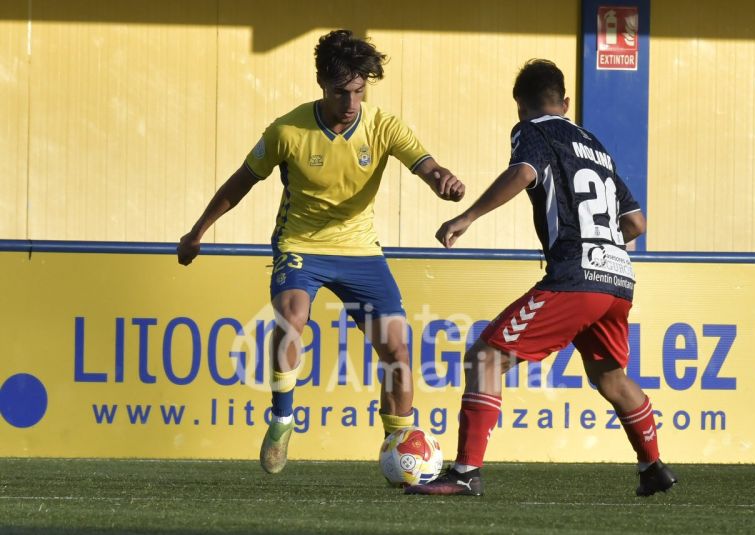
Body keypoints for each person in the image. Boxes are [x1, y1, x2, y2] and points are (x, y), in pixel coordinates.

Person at [177, 30, 464, 474]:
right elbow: (240, 181)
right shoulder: (287, 130)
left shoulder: (384, 127)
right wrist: (198, 231)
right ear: (320, 83)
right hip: (301, 245)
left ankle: (400, 447)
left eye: (359, 90)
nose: (351, 102)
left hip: (360, 251)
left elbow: (425, 164)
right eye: (340, 91)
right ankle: (282, 418)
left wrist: (442, 180)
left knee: (397, 351)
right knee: (292, 316)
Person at [405, 59, 676, 497]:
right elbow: (637, 223)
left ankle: (465, 473)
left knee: (484, 359)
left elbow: (524, 172)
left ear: (520, 108)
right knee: (610, 375)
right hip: (619, 280)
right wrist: (604, 244)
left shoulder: (533, 130)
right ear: (565, 102)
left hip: (577, 275)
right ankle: (653, 467)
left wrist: (469, 215)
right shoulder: (596, 146)